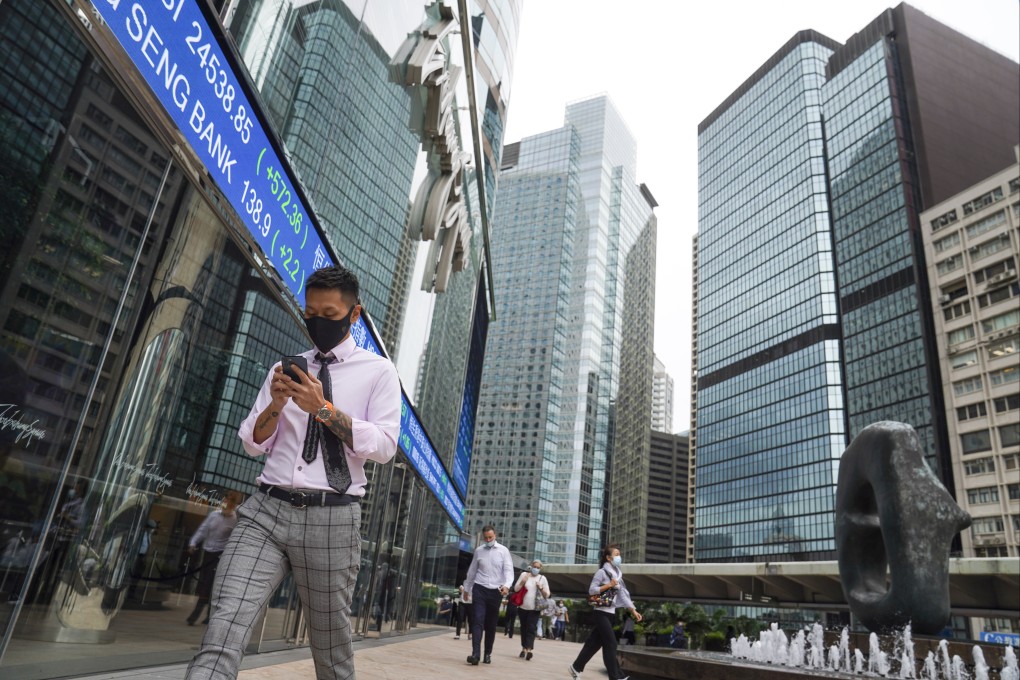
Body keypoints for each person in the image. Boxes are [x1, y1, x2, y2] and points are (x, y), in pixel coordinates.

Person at [186, 265, 401, 680]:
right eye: (310, 313)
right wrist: (277, 405)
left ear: (354, 315)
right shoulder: (284, 368)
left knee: (330, 647)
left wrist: (322, 409)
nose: (318, 322)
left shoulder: (378, 372)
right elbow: (252, 442)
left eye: (330, 313)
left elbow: (385, 447)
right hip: (265, 511)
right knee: (223, 631)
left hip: (332, 517)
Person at [568, 544, 642, 680]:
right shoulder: (602, 572)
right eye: (616, 554)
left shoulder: (618, 575)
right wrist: (608, 585)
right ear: (608, 558)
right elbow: (592, 590)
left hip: (611, 614)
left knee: (593, 644)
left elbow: (623, 596)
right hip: (600, 612)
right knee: (611, 643)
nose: (619, 557)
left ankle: (576, 667)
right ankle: (616, 677)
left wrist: (633, 610)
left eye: (619, 554)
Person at [185, 492, 241, 625]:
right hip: (208, 552)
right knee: (206, 583)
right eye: (226, 502)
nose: (227, 506)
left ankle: (198, 616)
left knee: (211, 584)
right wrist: (193, 543)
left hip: (221, 555)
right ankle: (208, 615)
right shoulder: (214, 515)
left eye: (230, 504)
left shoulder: (235, 520)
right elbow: (202, 530)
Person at [463, 524, 513, 666]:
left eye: (490, 537)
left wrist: (507, 586)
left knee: (490, 625)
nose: (488, 540)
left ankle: (487, 653)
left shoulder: (503, 551)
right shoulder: (479, 551)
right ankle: (475, 654)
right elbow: (472, 571)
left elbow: (509, 571)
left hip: (496, 591)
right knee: (477, 620)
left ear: (495, 535)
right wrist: (467, 589)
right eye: (486, 538)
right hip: (480, 589)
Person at [512, 559, 550, 660]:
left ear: (540, 568)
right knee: (524, 628)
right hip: (523, 607)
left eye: (538, 568)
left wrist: (541, 588)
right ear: (531, 566)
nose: (536, 569)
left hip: (535, 608)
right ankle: (523, 648)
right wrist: (523, 582)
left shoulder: (542, 578)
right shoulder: (524, 575)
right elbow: (516, 589)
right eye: (534, 567)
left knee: (531, 628)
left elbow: (547, 595)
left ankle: (528, 650)